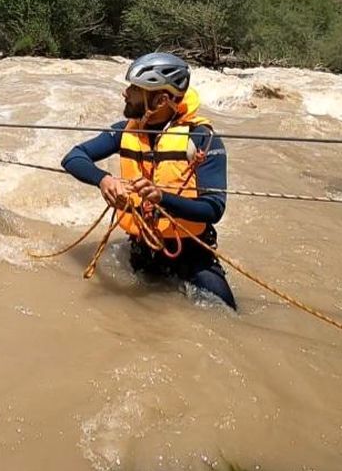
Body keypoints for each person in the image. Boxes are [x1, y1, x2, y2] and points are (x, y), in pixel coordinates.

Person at [60, 52, 235, 309]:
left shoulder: (202, 139)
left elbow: (213, 208)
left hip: (192, 254)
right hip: (143, 250)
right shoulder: (124, 130)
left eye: (135, 88)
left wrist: (161, 197)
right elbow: (74, 157)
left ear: (160, 100)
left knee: (225, 311)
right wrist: (103, 179)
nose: (125, 93)